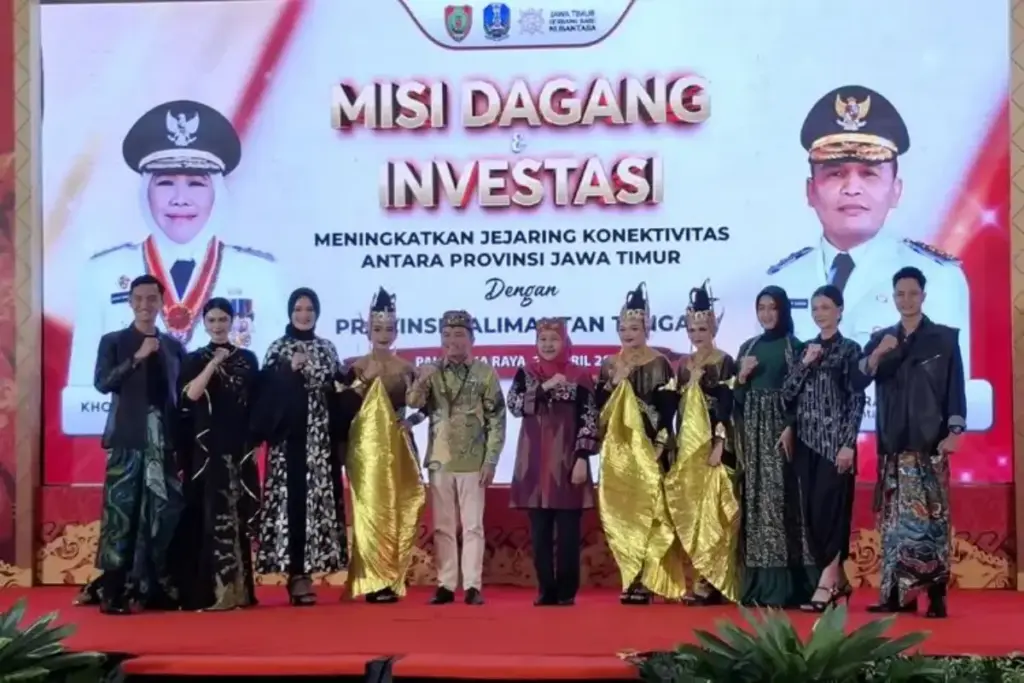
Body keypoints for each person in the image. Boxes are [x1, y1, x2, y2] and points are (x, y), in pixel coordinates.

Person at [64, 99, 282, 437]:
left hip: (223, 438)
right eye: (165, 182)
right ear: (145, 191)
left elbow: (271, 387)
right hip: (138, 439)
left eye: (196, 183)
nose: (180, 198)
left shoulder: (260, 275)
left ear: (217, 193)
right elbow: (84, 398)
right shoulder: (102, 273)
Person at [762, 85, 971, 370]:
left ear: (896, 190)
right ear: (811, 191)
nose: (852, 189)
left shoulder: (937, 277)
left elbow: (950, 385)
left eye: (869, 174)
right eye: (835, 173)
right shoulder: (783, 281)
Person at [74, 274, 186, 615]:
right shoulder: (114, 341)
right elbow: (103, 383)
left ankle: (151, 586)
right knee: (120, 515)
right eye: (138, 298)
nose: (145, 305)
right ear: (130, 302)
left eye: (151, 298)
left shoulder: (173, 347)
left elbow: (178, 398)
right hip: (128, 440)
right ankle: (112, 590)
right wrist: (137, 357)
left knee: (163, 514)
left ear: (161, 302)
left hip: (163, 443)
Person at [860, 266, 965, 619]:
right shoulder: (882, 339)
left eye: (912, 293)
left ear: (923, 296)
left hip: (930, 444)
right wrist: (879, 353)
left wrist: (955, 431)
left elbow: (955, 389)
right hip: (893, 446)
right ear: (893, 297)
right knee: (893, 523)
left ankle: (935, 596)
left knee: (932, 522)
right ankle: (895, 595)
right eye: (900, 294)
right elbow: (858, 379)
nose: (906, 300)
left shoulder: (944, 339)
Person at [253, 287, 347, 606]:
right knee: (291, 505)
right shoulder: (279, 348)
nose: (304, 315)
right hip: (288, 443)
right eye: (298, 309)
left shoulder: (327, 348)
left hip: (320, 442)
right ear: (290, 312)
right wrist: (287, 370)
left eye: (309, 309)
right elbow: (264, 394)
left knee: (316, 506)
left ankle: (311, 570)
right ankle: (296, 575)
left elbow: (337, 391)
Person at [407, 309, 506, 606]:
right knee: (443, 526)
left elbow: (497, 419)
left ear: (472, 339)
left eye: (459, 334)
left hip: (474, 459)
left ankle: (473, 585)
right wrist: (421, 380)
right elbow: (414, 403)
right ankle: (446, 584)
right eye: (447, 335)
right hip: (440, 459)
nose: (453, 340)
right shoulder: (432, 371)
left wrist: (491, 460)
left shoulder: (485, 373)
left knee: (473, 525)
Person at [595, 283, 683, 605]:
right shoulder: (609, 364)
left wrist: (660, 444)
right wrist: (615, 382)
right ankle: (630, 575)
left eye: (634, 328)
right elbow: (598, 409)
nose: (627, 334)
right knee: (624, 513)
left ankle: (650, 578)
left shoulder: (660, 363)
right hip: (619, 451)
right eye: (622, 328)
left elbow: (668, 409)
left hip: (651, 448)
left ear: (646, 328)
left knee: (651, 512)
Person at [338, 287, 426, 604]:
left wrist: (411, 421)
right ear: (367, 331)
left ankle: (391, 577)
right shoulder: (354, 366)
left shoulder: (407, 368)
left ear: (396, 331)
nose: (383, 334)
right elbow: (341, 406)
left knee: (399, 508)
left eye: (389, 329)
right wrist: (363, 381)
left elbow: (425, 406)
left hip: (399, 447)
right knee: (370, 511)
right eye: (378, 329)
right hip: (365, 449)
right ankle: (371, 580)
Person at [172, 298, 261, 611]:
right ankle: (216, 592)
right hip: (209, 450)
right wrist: (213, 363)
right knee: (212, 517)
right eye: (212, 320)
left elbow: (255, 403)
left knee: (238, 517)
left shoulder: (248, 359)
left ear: (232, 321)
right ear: (204, 324)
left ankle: (240, 592)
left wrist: (255, 441)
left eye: (223, 319)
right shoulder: (195, 359)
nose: (218, 325)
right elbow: (191, 395)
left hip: (239, 447)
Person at [781, 284, 866, 612]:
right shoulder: (806, 349)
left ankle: (827, 582)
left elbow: (856, 400)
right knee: (813, 515)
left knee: (832, 512)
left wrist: (848, 445)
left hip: (835, 447)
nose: (820, 314)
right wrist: (805, 363)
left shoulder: (850, 350)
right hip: (806, 444)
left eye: (826, 307)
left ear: (840, 310)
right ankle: (838, 582)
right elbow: (787, 395)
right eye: (815, 308)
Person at [734, 287, 818, 608]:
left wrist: (790, 426)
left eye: (773, 308)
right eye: (762, 308)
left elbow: (801, 393)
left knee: (780, 502)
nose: (767, 314)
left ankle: (786, 586)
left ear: (783, 310)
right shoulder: (748, 347)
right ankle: (758, 585)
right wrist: (742, 377)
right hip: (753, 435)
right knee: (756, 503)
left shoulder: (793, 347)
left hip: (779, 433)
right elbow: (737, 399)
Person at [506, 317, 599, 607]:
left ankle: (566, 592)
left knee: (569, 532)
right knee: (540, 533)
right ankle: (545, 589)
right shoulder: (527, 373)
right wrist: (543, 387)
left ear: (565, 342)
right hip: (533, 462)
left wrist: (582, 458)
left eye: (553, 339)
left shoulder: (579, 375)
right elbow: (514, 406)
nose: (547, 345)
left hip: (566, 462)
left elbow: (589, 419)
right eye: (542, 339)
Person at [669, 281, 741, 606]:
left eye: (702, 328)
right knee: (696, 514)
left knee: (716, 514)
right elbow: (675, 408)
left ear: (713, 328)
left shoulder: (725, 361)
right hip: (689, 449)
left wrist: (720, 443)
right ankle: (701, 576)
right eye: (692, 329)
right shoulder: (683, 365)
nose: (697, 334)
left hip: (715, 448)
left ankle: (716, 581)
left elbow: (727, 404)